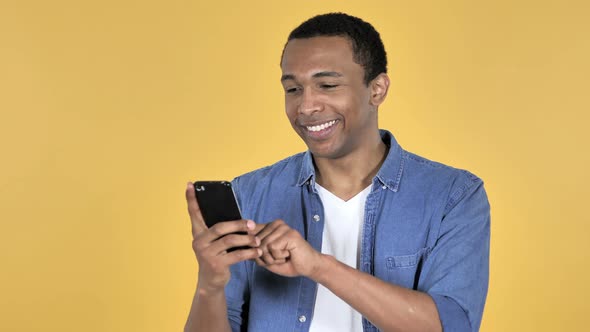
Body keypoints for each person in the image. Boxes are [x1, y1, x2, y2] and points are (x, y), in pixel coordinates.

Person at [184, 12, 490, 332]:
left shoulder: (453, 196)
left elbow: (452, 325)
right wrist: (211, 285)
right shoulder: (248, 195)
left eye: (327, 85)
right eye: (293, 89)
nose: (306, 107)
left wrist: (319, 266)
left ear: (377, 89)